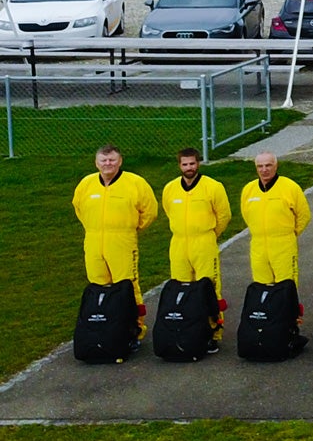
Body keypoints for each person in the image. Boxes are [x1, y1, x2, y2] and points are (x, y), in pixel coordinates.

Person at [73, 144, 160, 339]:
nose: (108, 164)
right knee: (97, 286)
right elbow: (79, 208)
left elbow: (150, 211)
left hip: (122, 241)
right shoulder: (86, 184)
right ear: (96, 163)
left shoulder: (135, 183)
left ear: (120, 161)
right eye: (103, 160)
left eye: (112, 160)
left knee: (127, 286)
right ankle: (103, 327)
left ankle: (135, 330)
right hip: (93, 241)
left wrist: (131, 228)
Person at [160, 147, 232, 351]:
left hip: (204, 242)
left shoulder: (213, 187)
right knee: (181, 289)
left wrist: (209, 235)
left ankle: (213, 332)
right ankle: (185, 329)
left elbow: (224, 216)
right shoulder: (170, 189)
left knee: (208, 289)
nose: (189, 168)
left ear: (198, 163)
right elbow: (168, 211)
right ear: (179, 165)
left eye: (192, 163)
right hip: (179, 244)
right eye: (185, 164)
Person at [240, 151, 312, 330]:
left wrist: (289, 234)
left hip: (283, 245)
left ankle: (290, 327)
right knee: (262, 288)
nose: (264, 170)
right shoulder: (249, 190)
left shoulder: (290, 187)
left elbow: (303, 216)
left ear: (276, 165)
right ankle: (266, 326)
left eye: (268, 165)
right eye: (260, 166)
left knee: (286, 288)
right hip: (258, 245)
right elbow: (246, 214)